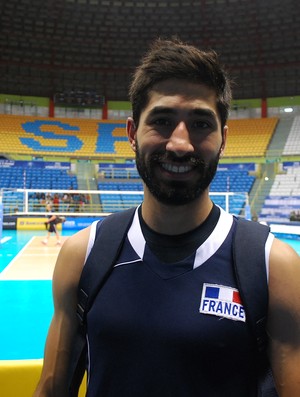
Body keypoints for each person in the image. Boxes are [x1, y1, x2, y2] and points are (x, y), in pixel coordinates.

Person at [33, 38, 300, 397]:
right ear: (131, 133)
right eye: (161, 120)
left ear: (223, 139)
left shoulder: (274, 267)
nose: (180, 143)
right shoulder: (83, 256)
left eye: (201, 124)